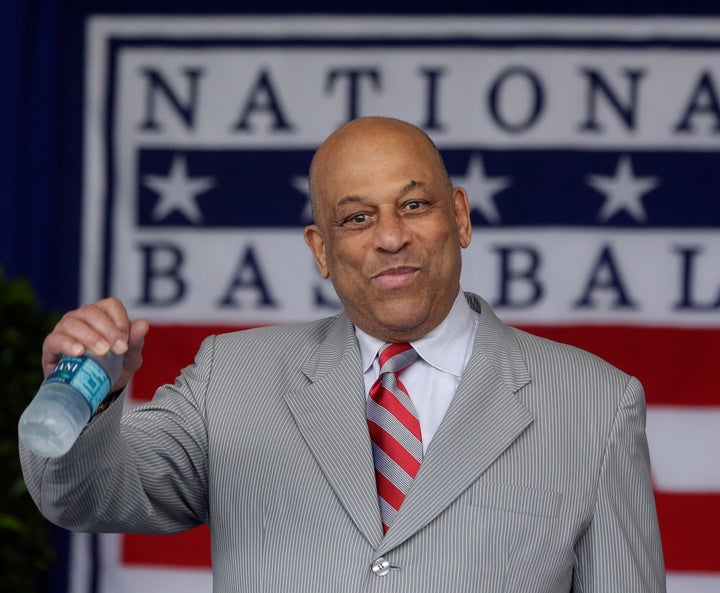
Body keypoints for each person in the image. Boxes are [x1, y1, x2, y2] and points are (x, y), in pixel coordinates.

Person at [21, 117, 666, 592]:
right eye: (356, 218)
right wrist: (85, 395)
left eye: (414, 205)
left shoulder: (597, 403)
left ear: (461, 218)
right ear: (321, 248)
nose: (391, 236)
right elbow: (85, 498)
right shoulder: (231, 379)